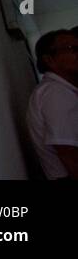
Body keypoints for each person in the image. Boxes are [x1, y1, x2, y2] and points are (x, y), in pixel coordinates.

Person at [27, 28, 78, 179]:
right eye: (72, 48)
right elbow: (71, 156)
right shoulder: (55, 92)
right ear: (49, 59)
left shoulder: (62, 90)